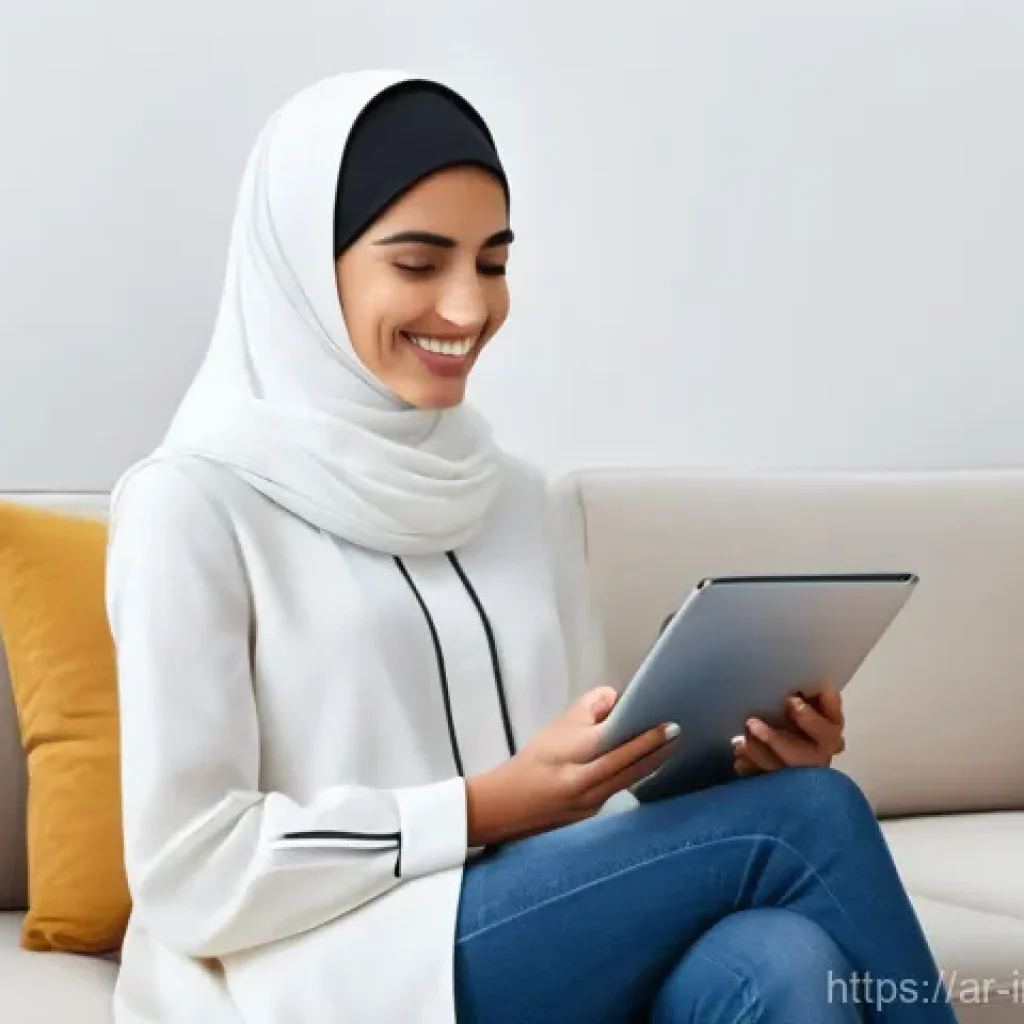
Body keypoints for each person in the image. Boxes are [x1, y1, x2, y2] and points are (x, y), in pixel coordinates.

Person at [105, 70, 957, 1024]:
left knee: (785, 960)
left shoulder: (513, 498)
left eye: (493, 262)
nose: (467, 310)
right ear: (306, 267)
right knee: (814, 821)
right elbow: (190, 865)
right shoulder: (192, 504)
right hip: (333, 970)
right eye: (420, 264)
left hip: (542, 937)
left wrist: (735, 767)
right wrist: (477, 809)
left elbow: (588, 789)